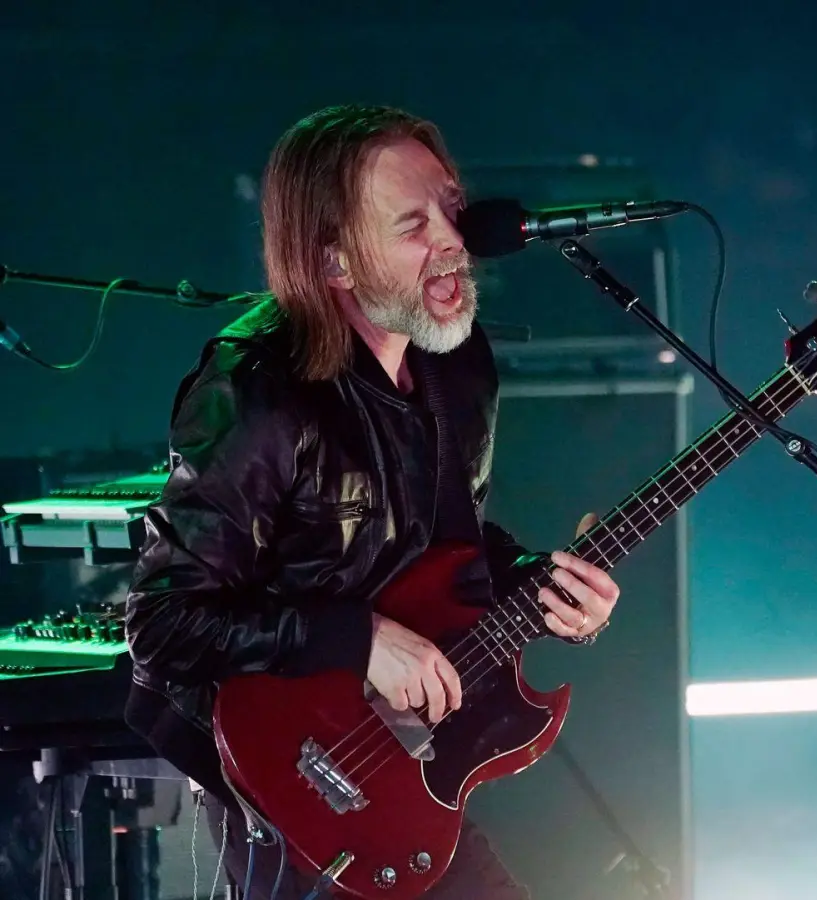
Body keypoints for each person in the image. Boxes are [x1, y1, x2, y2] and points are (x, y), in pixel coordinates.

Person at [123, 104, 621, 899]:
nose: (454, 239)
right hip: (287, 774)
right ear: (336, 263)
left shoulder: (455, 364)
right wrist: (358, 641)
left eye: (451, 209)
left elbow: (447, 543)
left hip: (401, 756)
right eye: (412, 224)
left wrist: (548, 587)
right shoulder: (256, 390)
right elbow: (163, 622)